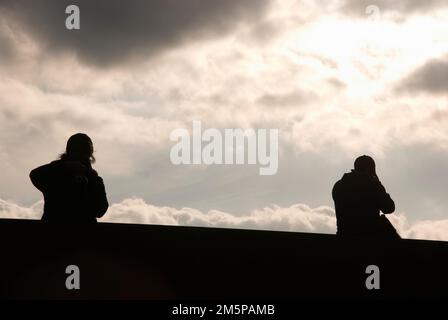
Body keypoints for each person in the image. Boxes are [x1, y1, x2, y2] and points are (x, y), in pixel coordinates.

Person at [30, 133, 108, 223]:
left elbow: (100, 210)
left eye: (83, 150)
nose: (80, 154)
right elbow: (35, 174)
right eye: (77, 150)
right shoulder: (56, 171)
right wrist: (65, 167)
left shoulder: (94, 179)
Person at [332, 155, 400, 239]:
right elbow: (389, 208)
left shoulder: (339, 185)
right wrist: (378, 183)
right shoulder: (372, 185)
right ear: (372, 170)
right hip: (369, 236)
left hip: (344, 234)